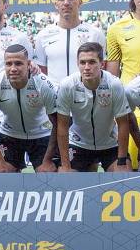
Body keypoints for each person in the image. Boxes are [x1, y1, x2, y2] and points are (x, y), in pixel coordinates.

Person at [54, 42, 134, 172]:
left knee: (124, 174)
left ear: (102, 64)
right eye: (82, 62)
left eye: (92, 62)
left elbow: (123, 124)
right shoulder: (67, 85)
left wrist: (121, 161)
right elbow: (62, 126)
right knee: (66, 179)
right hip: (78, 143)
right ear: (77, 64)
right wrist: (66, 165)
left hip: (110, 144)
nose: (86, 67)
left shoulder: (114, 84)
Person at [0, 45, 59, 172]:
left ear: (28, 64)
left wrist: (47, 160)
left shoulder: (43, 84)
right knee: (1, 172)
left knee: (47, 173)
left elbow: (58, 124)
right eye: (8, 64)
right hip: (9, 136)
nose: (13, 69)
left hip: (41, 135)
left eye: (18, 63)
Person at [33, 0, 106, 84]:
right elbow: (41, 71)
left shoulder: (95, 34)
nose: (66, 3)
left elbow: (103, 69)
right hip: (55, 97)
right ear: (56, 4)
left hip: (86, 96)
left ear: (80, 2)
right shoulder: (43, 35)